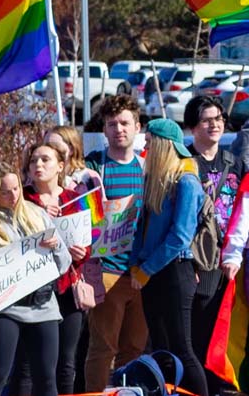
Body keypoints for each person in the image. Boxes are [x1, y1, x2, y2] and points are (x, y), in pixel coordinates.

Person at [0, 162, 70, 396]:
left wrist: (55, 248)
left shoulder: (37, 214)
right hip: (5, 308)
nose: (13, 195)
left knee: (46, 379)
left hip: (43, 306)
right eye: (5, 191)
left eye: (16, 189)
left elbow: (63, 264)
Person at [128, 119, 207, 396]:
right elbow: (142, 227)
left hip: (175, 271)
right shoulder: (153, 179)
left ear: (163, 145)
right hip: (150, 273)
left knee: (182, 347)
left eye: (149, 141)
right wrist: (135, 264)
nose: (145, 146)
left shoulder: (186, 180)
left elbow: (180, 237)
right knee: (161, 349)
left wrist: (146, 269)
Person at [83, 95, 148, 391]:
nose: (118, 129)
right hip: (107, 270)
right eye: (112, 124)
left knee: (135, 347)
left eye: (124, 123)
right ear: (104, 130)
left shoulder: (147, 167)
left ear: (137, 127)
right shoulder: (94, 166)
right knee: (102, 348)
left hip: (142, 272)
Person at [183, 96, 247, 395]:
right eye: (207, 119)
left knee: (224, 326)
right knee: (198, 327)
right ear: (193, 126)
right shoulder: (185, 162)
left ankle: (220, 383)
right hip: (199, 258)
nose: (215, 124)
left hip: (230, 259)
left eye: (219, 119)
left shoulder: (234, 162)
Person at [19, 141, 90, 394]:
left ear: (61, 166)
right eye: (33, 160)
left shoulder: (75, 197)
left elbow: (86, 238)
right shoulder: (23, 197)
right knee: (28, 363)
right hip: (32, 291)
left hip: (67, 289)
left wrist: (81, 254)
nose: (38, 165)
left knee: (66, 363)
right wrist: (38, 211)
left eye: (45, 160)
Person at [44, 125, 102, 192]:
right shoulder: (39, 177)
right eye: (46, 146)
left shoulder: (90, 178)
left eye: (55, 146)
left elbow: (100, 202)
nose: (49, 150)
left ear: (71, 149)